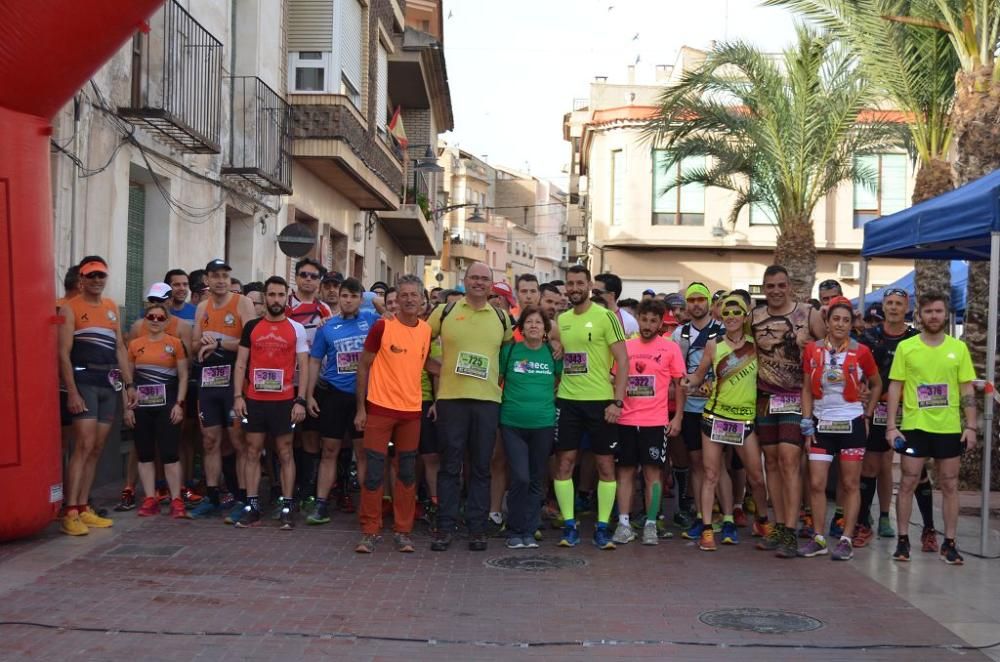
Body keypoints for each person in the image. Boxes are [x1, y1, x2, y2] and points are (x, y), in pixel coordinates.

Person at [427, 263, 514, 552]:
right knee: (450, 466)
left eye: (484, 279)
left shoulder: (502, 318)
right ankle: (445, 527)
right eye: (474, 278)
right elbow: (418, 345)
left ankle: (477, 529)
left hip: (488, 401)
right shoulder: (445, 312)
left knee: (481, 467)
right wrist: (439, 370)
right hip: (452, 399)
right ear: (464, 281)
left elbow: (512, 352)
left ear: (491, 285)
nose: (479, 283)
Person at [885, 292, 977, 565]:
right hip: (915, 426)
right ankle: (903, 540)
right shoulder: (907, 348)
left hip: (948, 428)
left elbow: (967, 388)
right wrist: (892, 426)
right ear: (920, 315)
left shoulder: (958, 348)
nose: (934, 316)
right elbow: (895, 386)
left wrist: (971, 425)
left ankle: (949, 543)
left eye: (938, 311)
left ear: (945, 314)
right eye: (929, 312)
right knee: (908, 482)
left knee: (949, 484)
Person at [683, 294, 771, 552]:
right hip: (715, 417)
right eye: (727, 313)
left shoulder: (756, 346)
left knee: (756, 477)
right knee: (711, 474)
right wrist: (682, 380)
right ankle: (708, 530)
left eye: (737, 313)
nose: (732, 317)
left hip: (744, 419)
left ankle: (762, 521)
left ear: (745, 317)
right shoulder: (713, 344)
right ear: (721, 315)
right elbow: (697, 377)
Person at [353, 275, 432, 553]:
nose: (409, 299)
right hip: (379, 409)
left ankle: (402, 531)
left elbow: (424, 364)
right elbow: (363, 366)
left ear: (422, 300)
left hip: (411, 412)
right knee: (374, 472)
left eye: (414, 295)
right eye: (404, 295)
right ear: (396, 299)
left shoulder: (425, 330)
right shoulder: (382, 327)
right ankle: (370, 531)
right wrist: (361, 408)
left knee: (407, 473)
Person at [750, 265, 825, 558]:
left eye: (781, 285)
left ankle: (792, 530)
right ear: (764, 288)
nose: (776, 291)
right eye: (770, 286)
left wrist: (812, 347)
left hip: (797, 397)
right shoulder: (754, 317)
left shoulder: (808, 314)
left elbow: (829, 347)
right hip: (765, 397)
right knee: (771, 463)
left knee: (789, 460)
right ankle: (779, 526)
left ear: (789, 287)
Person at [799, 296, 881, 561]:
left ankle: (845, 539)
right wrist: (807, 421)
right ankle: (819, 538)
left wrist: (867, 414)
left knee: (849, 483)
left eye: (846, 320)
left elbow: (876, 382)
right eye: (836, 319)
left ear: (851, 324)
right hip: (822, 424)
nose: (841, 324)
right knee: (816, 483)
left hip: (851, 423)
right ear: (827, 321)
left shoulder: (861, 351)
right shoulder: (812, 350)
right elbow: (806, 388)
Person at [58, 256, 137, 535]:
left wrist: (129, 385)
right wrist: (72, 392)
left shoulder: (112, 307)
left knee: (97, 448)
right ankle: (69, 511)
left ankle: (82, 507)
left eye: (101, 276)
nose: (96, 281)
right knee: (83, 445)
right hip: (84, 381)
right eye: (91, 276)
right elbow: (63, 355)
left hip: (108, 382)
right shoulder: (70, 309)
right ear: (82, 279)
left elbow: (120, 350)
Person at [553, 265, 628, 550]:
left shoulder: (606, 317)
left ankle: (601, 527)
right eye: (569, 284)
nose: (573, 288)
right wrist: (555, 343)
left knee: (605, 465)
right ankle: (570, 526)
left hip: (600, 402)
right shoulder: (563, 319)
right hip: (569, 401)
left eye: (578, 283)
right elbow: (557, 339)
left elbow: (623, 360)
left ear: (588, 286)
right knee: (564, 464)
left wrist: (617, 401)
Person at [232, 277, 308, 529]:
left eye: (280, 295)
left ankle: (286, 507)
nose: (276, 299)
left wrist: (301, 400)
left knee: (285, 453)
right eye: (272, 294)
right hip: (255, 399)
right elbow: (241, 363)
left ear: (287, 297)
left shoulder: (296, 328)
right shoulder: (252, 326)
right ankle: (252, 506)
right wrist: (238, 396)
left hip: (284, 401)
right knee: (252, 451)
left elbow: (304, 367)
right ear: (265, 297)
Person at [303, 278, 381, 524]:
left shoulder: (371, 320)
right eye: (344, 295)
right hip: (334, 395)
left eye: (354, 296)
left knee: (363, 452)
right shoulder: (327, 327)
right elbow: (315, 362)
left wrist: (372, 298)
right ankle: (321, 505)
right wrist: (307, 395)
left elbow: (389, 313)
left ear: (361, 298)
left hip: (365, 396)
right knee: (329, 450)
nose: (348, 300)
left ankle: (367, 508)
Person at [855, 289, 928, 549]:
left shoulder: (916, 338)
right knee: (872, 466)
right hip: (877, 410)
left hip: (910, 413)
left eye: (899, 303)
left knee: (915, 470)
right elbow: (858, 370)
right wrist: (862, 393)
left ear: (907, 307)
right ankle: (864, 522)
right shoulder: (869, 337)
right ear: (883, 307)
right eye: (890, 303)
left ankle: (911, 524)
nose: (894, 307)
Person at [611, 299, 685, 546]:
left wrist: (678, 417)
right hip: (626, 420)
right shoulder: (625, 347)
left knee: (653, 474)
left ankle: (651, 524)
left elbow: (679, 384)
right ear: (638, 319)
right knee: (625, 473)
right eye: (644, 319)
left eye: (654, 320)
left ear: (660, 322)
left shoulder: (670, 348)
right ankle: (623, 524)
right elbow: (614, 379)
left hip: (655, 422)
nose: (648, 324)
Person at [189, 259, 256, 518]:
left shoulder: (243, 303)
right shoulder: (202, 307)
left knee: (238, 440)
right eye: (215, 276)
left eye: (225, 276)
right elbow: (194, 345)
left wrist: (218, 342)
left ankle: (242, 497)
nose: (221, 280)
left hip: (234, 380)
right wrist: (202, 341)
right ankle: (213, 495)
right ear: (207, 279)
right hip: (208, 380)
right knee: (209, 441)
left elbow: (250, 342)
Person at [123, 302, 190, 518]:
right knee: (145, 454)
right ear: (145, 319)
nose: (155, 321)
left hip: (168, 406)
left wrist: (179, 404)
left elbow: (183, 376)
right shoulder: (134, 345)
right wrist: (128, 408)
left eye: (160, 318)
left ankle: (176, 500)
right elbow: (127, 379)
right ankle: (150, 498)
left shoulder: (175, 343)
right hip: (141, 407)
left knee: (170, 454)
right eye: (151, 317)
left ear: (167, 321)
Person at [672, 283, 724, 534]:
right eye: (691, 300)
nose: (696, 304)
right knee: (696, 461)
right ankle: (702, 515)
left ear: (709, 303)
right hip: (691, 408)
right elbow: (676, 374)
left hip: (720, 408)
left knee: (717, 465)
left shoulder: (723, 330)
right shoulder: (678, 334)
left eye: (700, 299)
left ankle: (726, 517)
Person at [286, 258, 333, 513]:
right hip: (284, 382)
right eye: (303, 274)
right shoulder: (284, 306)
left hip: (314, 383)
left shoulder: (325, 310)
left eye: (314, 276)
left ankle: (307, 490)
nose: (308, 279)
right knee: (284, 439)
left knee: (311, 438)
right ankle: (284, 491)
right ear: (296, 277)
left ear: (319, 281)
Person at [594, 273, 639, 337]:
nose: (593, 296)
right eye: (592, 292)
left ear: (611, 295)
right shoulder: (586, 315)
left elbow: (633, 346)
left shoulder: (629, 322)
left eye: (597, 292)